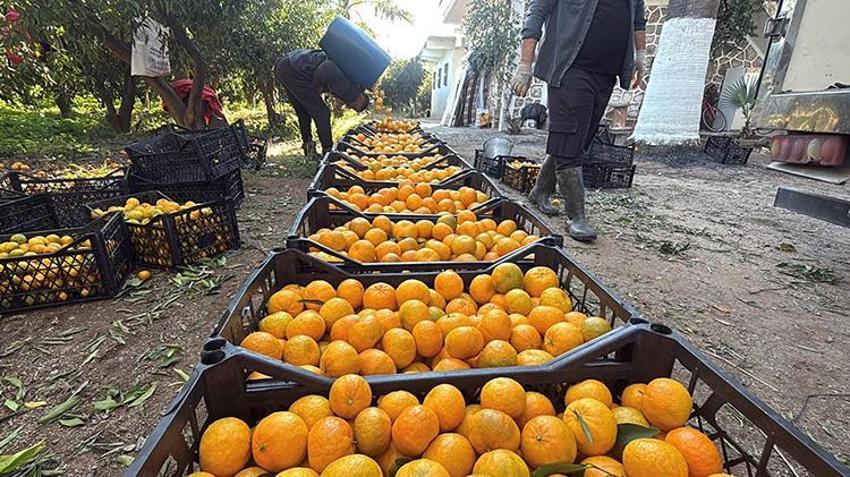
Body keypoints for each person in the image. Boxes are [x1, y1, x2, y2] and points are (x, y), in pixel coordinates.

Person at [512, 0, 647, 242]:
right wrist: (525, 63)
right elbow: (537, 12)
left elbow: (638, 20)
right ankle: (576, 215)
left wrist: (640, 56)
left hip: (607, 73)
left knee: (578, 139)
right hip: (569, 68)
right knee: (570, 135)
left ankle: (540, 191)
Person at [275, 49, 370, 160]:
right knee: (322, 113)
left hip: (288, 64)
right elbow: (326, 67)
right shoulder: (348, 89)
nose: (352, 107)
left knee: (303, 111)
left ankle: (308, 149)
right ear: (360, 98)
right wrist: (316, 86)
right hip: (294, 69)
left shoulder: (350, 86)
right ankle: (328, 152)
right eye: (355, 106)